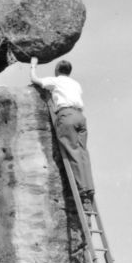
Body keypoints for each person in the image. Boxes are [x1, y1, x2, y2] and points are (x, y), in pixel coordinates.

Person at [29, 57, 96, 209]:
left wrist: (33, 65)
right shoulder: (75, 83)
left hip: (67, 116)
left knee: (72, 153)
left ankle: (82, 192)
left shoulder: (56, 81)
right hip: (80, 117)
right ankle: (89, 188)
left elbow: (35, 80)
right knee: (82, 153)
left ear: (58, 71)